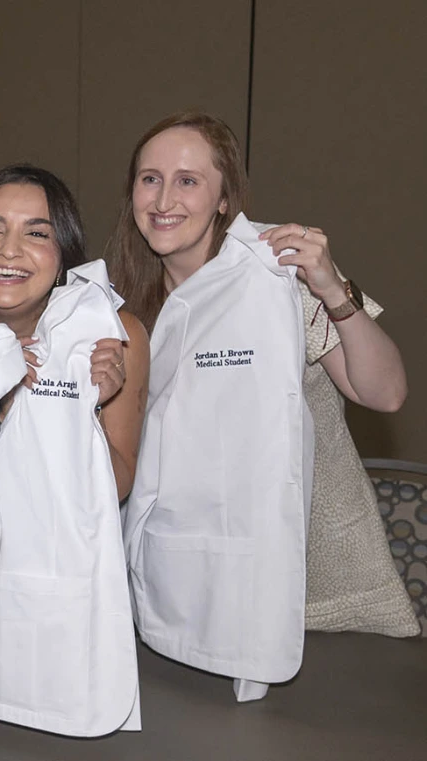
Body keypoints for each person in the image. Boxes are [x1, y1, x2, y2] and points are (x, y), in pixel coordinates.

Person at [108, 111, 409, 700]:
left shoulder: (282, 278)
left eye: (189, 180)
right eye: (150, 179)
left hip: (316, 594)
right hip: (185, 593)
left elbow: (387, 393)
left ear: (226, 200)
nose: (165, 198)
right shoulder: (125, 309)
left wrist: (332, 290)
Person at [0, 164, 149, 499]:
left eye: (36, 234)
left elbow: (118, 489)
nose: (8, 249)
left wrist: (81, 408)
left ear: (64, 256)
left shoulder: (110, 336)